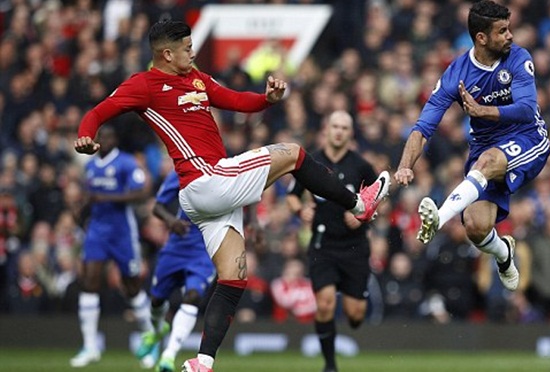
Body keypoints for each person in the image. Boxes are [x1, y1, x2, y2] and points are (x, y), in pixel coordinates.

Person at [73, 20, 390, 372]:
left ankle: (203, 362)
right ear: (166, 53)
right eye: (187, 48)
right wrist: (86, 135)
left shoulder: (195, 77)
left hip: (206, 195)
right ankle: (360, 204)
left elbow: (235, 100)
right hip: (206, 178)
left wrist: (266, 100)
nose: (193, 53)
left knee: (233, 276)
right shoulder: (144, 85)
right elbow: (98, 112)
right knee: (294, 153)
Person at [394, 0, 550, 291]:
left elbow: (527, 109)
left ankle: (438, 220)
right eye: (502, 31)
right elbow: (423, 127)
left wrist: (482, 111)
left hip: (528, 138)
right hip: (486, 147)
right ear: (481, 37)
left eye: (509, 29)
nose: (510, 36)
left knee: (488, 161)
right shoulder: (456, 74)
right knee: (476, 227)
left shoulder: (518, 57)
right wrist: (404, 166)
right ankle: (504, 254)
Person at [286, 110, 377, 372]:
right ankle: (330, 365)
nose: (338, 131)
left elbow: (378, 198)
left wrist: (362, 217)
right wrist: (299, 210)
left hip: (355, 246)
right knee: (325, 304)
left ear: (351, 133)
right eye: (334, 126)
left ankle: (350, 319)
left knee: (355, 314)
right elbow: (293, 195)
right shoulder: (311, 162)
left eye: (344, 128)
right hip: (323, 244)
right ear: (326, 129)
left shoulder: (361, 166)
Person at [70, 125, 152, 368]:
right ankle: (90, 346)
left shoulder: (126, 163)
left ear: (114, 140)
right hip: (97, 230)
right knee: (89, 281)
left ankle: (152, 340)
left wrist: (106, 198)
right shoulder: (91, 166)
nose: (103, 141)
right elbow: (90, 196)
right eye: (100, 138)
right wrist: (81, 211)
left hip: (122, 233)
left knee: (132, 287)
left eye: (107, 137)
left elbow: (141, 193)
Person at [135, 170, 216, 372]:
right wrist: (171, 222)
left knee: (193, 295)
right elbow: (158, 207)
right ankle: (158, 329)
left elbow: (247, 197)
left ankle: (168, 356)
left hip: (204, 249)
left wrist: (253, 223)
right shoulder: (183, 170)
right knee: (156, 300)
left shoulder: (226, 168)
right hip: (177, 246)